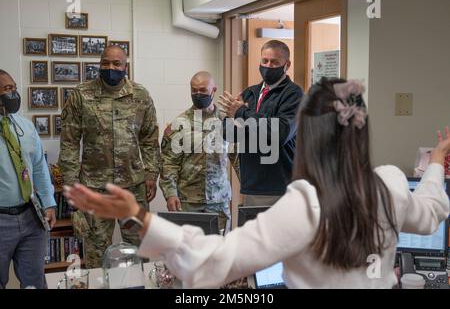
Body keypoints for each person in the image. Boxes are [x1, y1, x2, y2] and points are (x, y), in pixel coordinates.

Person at [64, 78, 450, 289]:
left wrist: (138, 216)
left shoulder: (305, 204)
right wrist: (435, 163)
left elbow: (213, 261)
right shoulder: (391, 184)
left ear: (308, 136)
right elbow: (431, 211)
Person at [59, 45, 161, 269]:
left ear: (126, 67)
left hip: (133, 188)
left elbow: (150, 138)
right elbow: (69, 143)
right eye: (105, 63)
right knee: (96, 254)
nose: (110, 68)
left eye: (116, 64)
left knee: (140, 252)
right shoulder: (81, 95)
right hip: (95, 188)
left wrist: (152, 174)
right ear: (99, 64)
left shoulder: (140, 96)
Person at [219, 40, 304, 206]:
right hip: (251, 185)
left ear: (287, 65)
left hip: (280, 186)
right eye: (264, 61)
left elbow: (279, 133)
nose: (268, 66)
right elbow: (229, 134)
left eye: (274, 62)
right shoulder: (250, 92)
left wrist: (241, 113)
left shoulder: (294, 94)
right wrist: (231, 116)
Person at [0, 70, 56, 289]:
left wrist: (49, 202)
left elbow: (39, 167)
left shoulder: (25, 126)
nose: (13, 93)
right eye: (7, 89)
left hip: (31, 216)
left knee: (34, 282)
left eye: (13, 88)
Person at [159, 71, 231, 232]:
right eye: (194, 90)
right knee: (188, 252)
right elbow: (168, 164)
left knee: (220, 252)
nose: (198, 94)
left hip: (219, 201)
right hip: (187, 202)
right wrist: (170, 193)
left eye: (203, 90)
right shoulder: (178, 124)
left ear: (214, 90)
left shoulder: (227, 122)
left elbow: (240, 160)